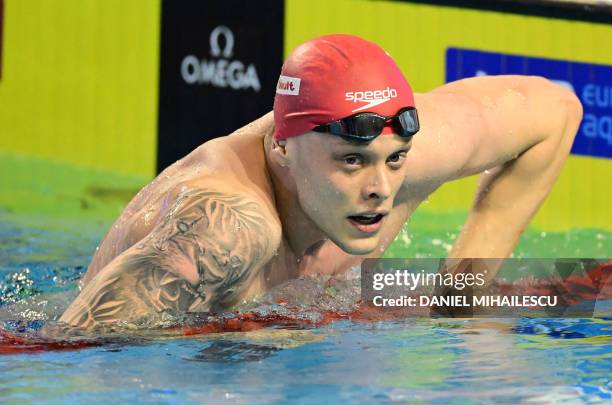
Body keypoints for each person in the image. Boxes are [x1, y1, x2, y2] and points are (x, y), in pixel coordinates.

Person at [59, 34, 583, 329]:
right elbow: (66, 348)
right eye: (351, 163)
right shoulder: (228, 231)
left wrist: (462, 296)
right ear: (283, 147)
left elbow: (557, 111)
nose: (381, 188)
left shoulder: (402, 162)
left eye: (395, 159)